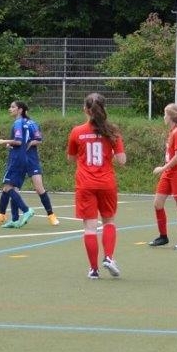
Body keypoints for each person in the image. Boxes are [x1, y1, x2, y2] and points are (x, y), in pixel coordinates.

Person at [66, 93, 127, 279]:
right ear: (104, 108)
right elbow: (122, 160)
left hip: (85, 184)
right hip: (106, 183)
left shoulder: (77, 131)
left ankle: (93, 269)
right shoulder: (112, 131)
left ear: (85, 109)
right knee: (109, 221)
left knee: (90, 228)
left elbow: (70, 158)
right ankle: (108, 257)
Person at [148, 103, 177, 249]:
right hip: (168, 174)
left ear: (170, 116)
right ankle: (163, 237)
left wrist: (163, 168)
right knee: (158, 203)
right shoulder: (173, 131)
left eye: (165, 114)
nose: (163, 117)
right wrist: (165, 170)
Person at [0, 101, 38, 228]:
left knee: (7, 187)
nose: (10, 109)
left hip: (16, 159)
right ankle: (15, 219)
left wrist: (3, 141)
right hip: (23, 158)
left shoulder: (18, 123)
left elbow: (18, 141)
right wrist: (11, 144)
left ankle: (26, 210)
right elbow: (22, 142)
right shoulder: (26, 123)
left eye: (13, 107)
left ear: (20, 110)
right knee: (13, 189)